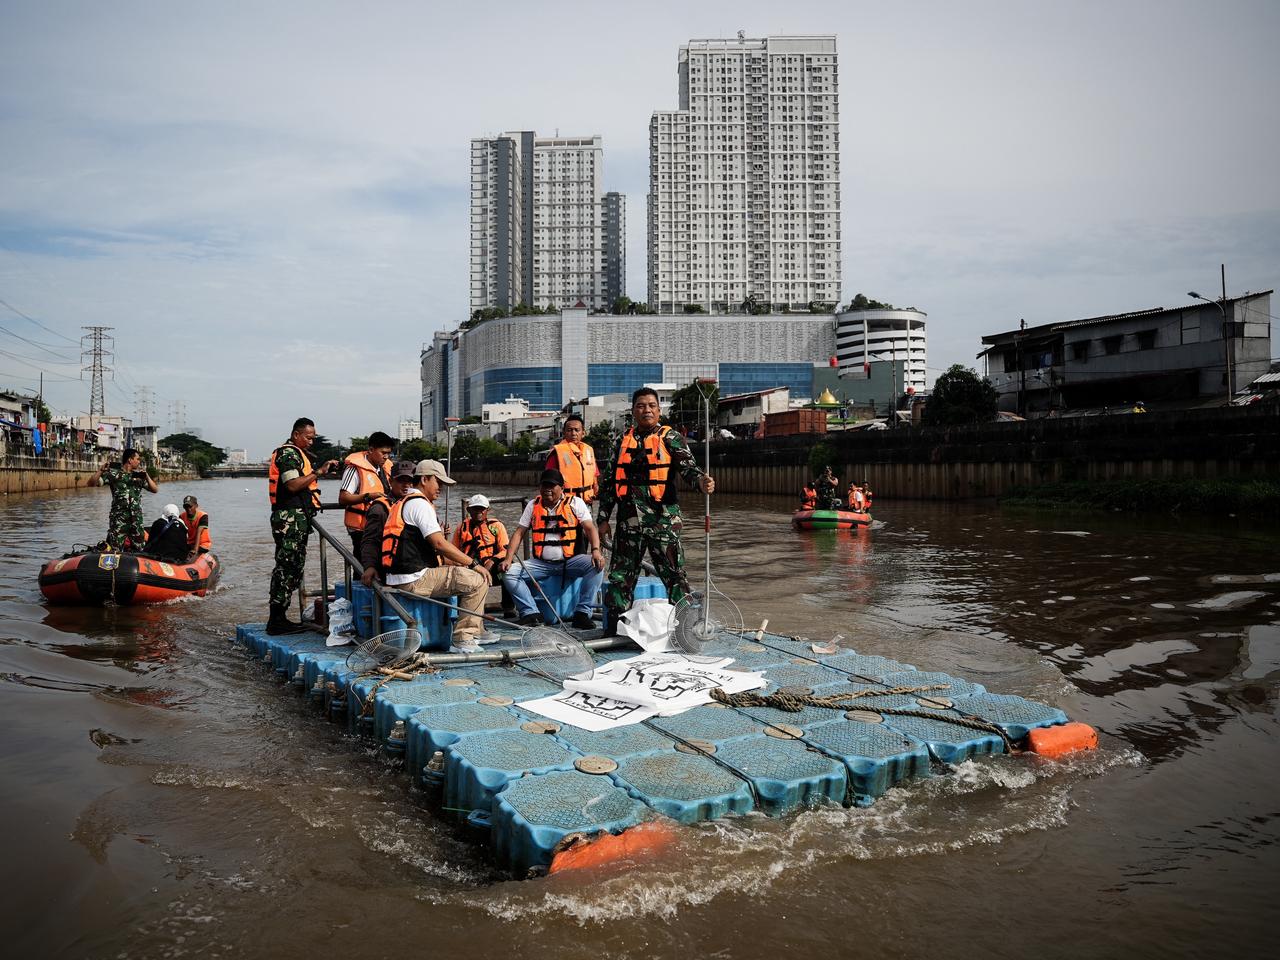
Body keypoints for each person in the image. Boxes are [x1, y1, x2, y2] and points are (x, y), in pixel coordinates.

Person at [596, 387, 714, 629]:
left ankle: (686, 628)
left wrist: (702, 482)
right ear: (633, 411)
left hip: (663, 521)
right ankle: (615, 630)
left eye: (651, 406)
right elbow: (608, 483)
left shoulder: (671, 438)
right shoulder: (621, 441)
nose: (646, 410)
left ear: (659, 411)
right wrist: (603, 519)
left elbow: (689, 469)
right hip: (629, 522)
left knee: (675, 575)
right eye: (641, 406)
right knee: (620, 578)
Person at [378, 459, 493, 650]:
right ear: (424, 479)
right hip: (414, 579)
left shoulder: (403, 501)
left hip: (400, 576)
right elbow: (439, 544)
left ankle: (478, 629)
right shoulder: (420, 504)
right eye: (438, 482)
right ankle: (463, 637)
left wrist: (460, 563)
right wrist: (474, 564)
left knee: (462, 569)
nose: (440, 488)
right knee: (478, 580)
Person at [500, 469, 605, 628]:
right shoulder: (532, 505)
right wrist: (508, 559)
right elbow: (519, 532)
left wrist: (596, 551)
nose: (547, 489)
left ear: (561, 488)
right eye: (544, 485)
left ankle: (582, 613)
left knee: (596, 566)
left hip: (570, 562)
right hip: (541, 564)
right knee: (509, 573)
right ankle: (531, 613)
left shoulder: (575, 503)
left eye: (552, 486)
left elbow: (590, 528)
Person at [267, 418, 339, 635]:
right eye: (308, 438)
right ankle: (276, 620)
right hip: (289, 519)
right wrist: (319, 472)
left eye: (313, 438)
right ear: (296, 434)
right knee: (286, 567)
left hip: (297, 519)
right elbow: (291, 485)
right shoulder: (288, 454)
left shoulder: (298, 454)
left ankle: (280, 618)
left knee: (294, 568)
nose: (311, 442)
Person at [452, 494, 516, 619]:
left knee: (508, 568)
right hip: (470, 570)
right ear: (469, 510)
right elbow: (454, 551)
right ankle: (463, 611)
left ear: (487, 510)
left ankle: (508, 608)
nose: (479, 512)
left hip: (493, 573)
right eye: (475, 508)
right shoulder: (461, 528)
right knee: (457, 572)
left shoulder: (496, 526)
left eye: (482, 509)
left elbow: (505, 550)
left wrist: (492, 561)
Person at [338, 431, 395, 556]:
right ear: (371, 450)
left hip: (381, 525)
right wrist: (368, 496)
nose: (386, 457)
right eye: (383, 453)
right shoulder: (354, 468)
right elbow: (343, 498)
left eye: (388, 453)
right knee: (363, 561)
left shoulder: (386, 468)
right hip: (361, 529)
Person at [89, 448, 158, 551]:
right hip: (119, 519)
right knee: (115, 549)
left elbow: (155, 489)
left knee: (140, 549)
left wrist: (147, 476)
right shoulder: (114, 475)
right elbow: (91, 483)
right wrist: (101, 470)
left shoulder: (139, 477)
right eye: (137, 459)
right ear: (130, 460)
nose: (139, 462)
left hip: (136, 519)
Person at [359, 464, 409, 588]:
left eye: (410, 481)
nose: (406, 485)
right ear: (391, 482)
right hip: (392, 572)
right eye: (401, 481)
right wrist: (370, 566)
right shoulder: (380, 509)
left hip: (412, 567)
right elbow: (370, 540)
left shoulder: (417, 505)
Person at [545, 414, 599, 504]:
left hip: (587, 501)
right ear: (564, 432)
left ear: (583, 433)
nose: (573, 433)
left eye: (577, 430)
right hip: (566, 503)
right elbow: (548, 481)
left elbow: (594, 474)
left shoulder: (588, 451)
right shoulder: (557, 453)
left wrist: (595, 488)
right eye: (569, 430)